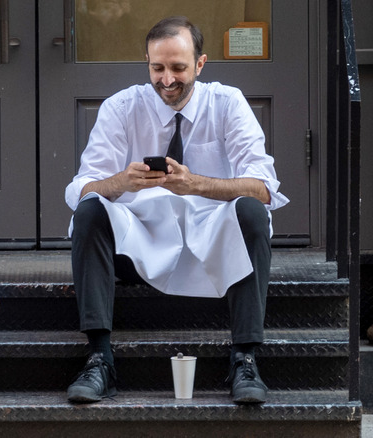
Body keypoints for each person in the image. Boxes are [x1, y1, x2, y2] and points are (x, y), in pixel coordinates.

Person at [64, 16, 289, 405]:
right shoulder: (121, 106)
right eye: (157, 68)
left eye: (179, 68)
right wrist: (122, 182)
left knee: (251, 211)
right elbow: (79, 188)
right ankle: (100, 358)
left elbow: (264, 187)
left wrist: (196, 184)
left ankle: (245, 358)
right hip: (142, 244)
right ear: (147, 63)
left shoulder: (227, 102)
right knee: (89, 212)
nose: (167, 79)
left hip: (213, 240)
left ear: (200, 64)